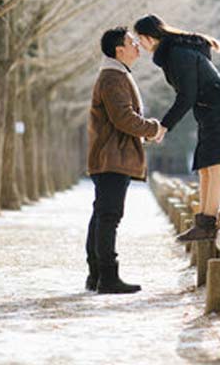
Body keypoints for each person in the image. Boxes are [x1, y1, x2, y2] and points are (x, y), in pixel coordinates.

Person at [134, 14, 220, 242]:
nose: (139, 44)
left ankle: (207, 223)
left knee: (214, 166)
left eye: (139, 38)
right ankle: (203, 223)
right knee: (206, 167)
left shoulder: (177, 54)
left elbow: (187, 96)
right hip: (210, 110)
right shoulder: (173, 52)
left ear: (148, 37)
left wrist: (164, 126)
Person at [85, 27, 165, 294]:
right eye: (132, 42)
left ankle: (97, 276)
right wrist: (153, 129)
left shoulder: (116, 75)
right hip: (111, 157)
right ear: (119, 49)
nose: (137, 46)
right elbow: (124, 118)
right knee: (108, 216)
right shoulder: (112, 77)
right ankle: (107, 277)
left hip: (110, 157)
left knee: (102, 215)